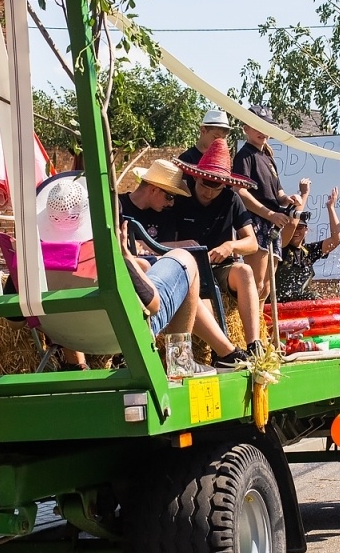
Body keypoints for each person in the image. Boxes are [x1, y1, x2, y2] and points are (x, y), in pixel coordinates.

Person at [119, 158, 247, 367]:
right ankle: (217, 355)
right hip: (142, 291)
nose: (171, 203)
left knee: (187, 278)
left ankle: (223, 353)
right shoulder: (120, 207)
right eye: (169, 196)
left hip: (151, 286)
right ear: (153, 189)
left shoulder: (165, 214)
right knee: (186, 268)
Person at [162, 137, 265, 358]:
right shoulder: (181, 198)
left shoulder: (231, 199)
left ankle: (254, 345)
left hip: (221, 268)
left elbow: (252, 243)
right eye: (204, 185)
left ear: (225, 185)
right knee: (203, 300)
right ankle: (222, 352)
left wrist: (230, 246)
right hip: (189, 270)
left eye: (216, 188)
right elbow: (163, 243)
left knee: (246, 271)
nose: (208, 192)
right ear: (196, 177)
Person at [231, 106, 306, 296]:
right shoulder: (244, 156)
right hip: (256, 221)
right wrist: (269, 214)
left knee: (266, 288)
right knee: (256, 285)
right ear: (246, 128)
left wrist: (287, 198)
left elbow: (277, 192)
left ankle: (261, 323)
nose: (263, 132)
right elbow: (239, 191)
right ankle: (251, 324)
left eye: (267, 127)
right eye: (257, 126)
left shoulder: (268, 157)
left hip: (273, 223)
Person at [276, 187, 340, 302]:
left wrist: (330, 208)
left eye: (300, 227)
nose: (296, 231)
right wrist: (304, 193)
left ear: (306, 230)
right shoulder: (281, 247)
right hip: (280, 306)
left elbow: (336, 240)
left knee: (313, 295)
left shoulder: (309, 252)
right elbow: (292, 224)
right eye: (295, 228)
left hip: (302, 307)